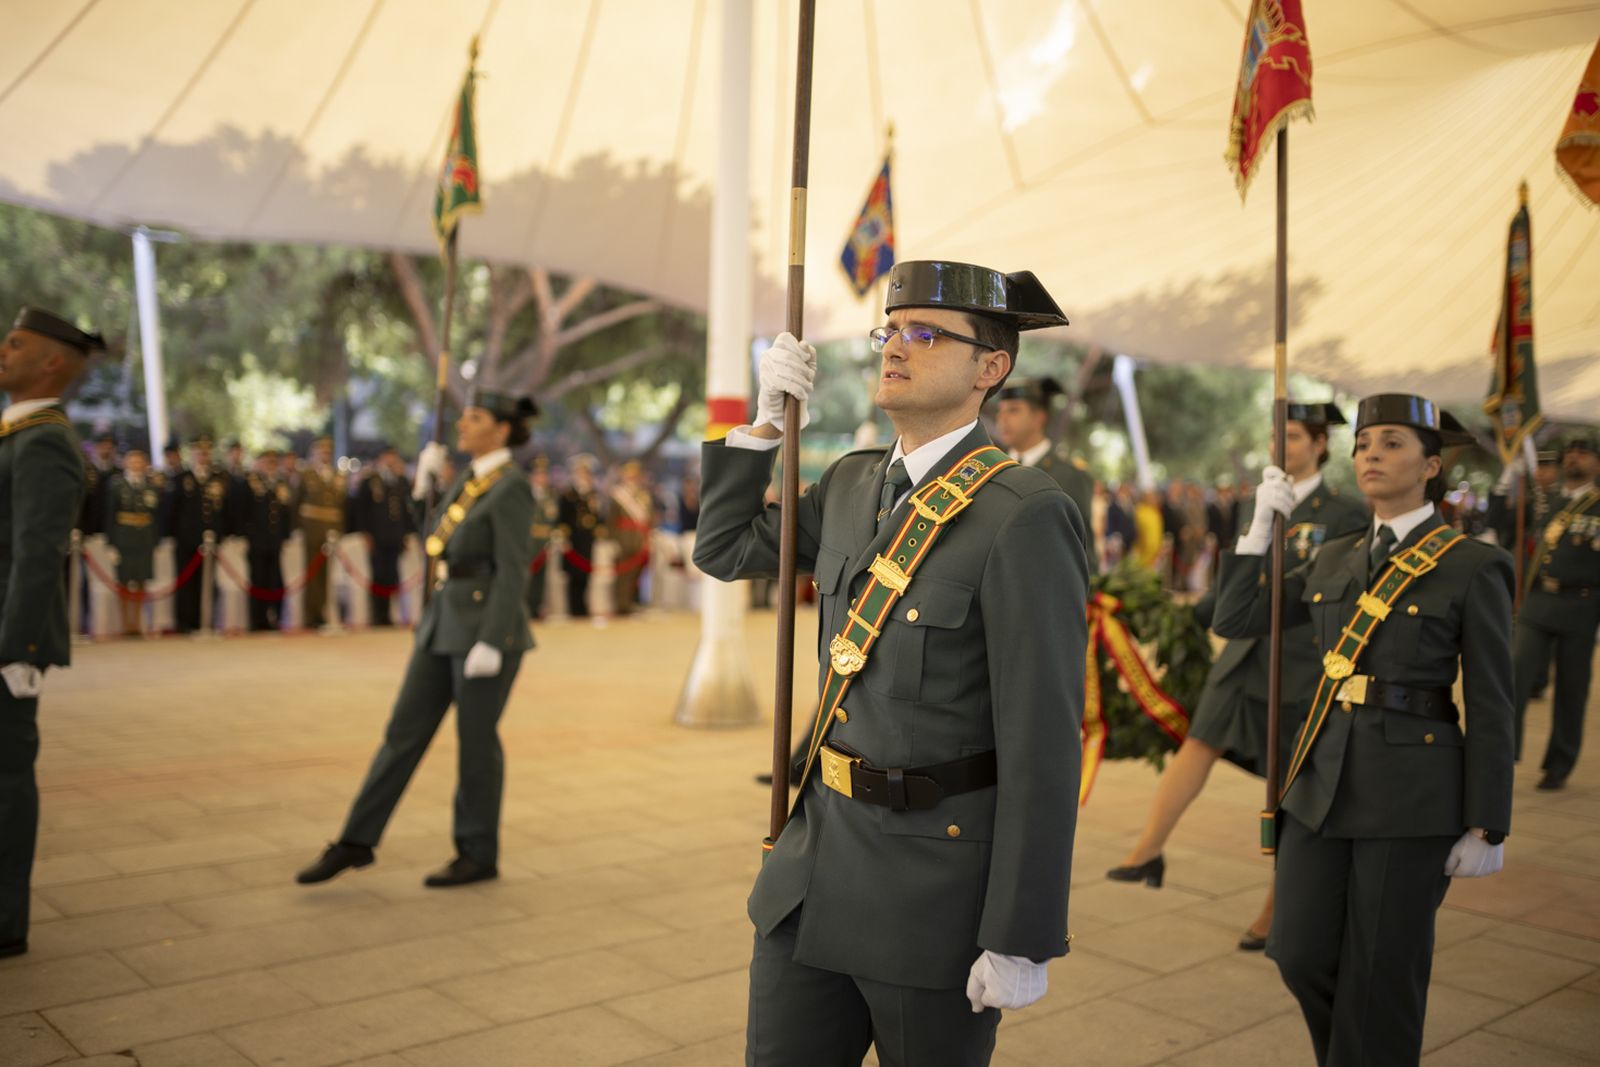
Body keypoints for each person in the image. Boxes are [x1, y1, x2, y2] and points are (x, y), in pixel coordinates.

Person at [695, 260, 1086, 1065]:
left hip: (933, 891)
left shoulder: (1024, 515)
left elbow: (1044, 742)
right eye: (891, 330)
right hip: (814, 866)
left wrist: (1022, 933)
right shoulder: (847, 483)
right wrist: (764, 426)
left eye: (925, 334)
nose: (896, 348)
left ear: (991, 367)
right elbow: (725, 547)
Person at [1212, 393, 1513, 1067]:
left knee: (1382, 976)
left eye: (1392, 443)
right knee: (1298, 952)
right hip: (1320, 783)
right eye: (1364, 442)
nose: (1371, 453)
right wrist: (1258, 529)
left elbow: (1495, 700)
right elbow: (1234, 618)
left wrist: (1488, 819)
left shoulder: (1471, 564)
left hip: (1412, 793)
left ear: (1432, 464)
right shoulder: (1333, 557)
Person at [1108, 404, 1367, 951]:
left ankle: (1279, 908)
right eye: (1277, 434)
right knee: (1198, 743)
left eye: (1294, 436)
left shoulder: (1344, 513)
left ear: (1321, 444)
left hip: (1299, 658)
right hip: (1246, 651)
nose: (1283, 445)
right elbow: (1238, 585)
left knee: (1290, 785)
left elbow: (1321, 591)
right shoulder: (1259, 500)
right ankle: (1147, 850)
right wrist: (1179, 615)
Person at [295, 388, 538, 889]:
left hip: (482, 628)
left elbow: (515, 569)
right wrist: (423, 486)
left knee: (475, 744)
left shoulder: (510, 485)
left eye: (475, 418)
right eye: (464, 417)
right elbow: (433, 538)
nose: (462, 426)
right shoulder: (470, 479)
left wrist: (494, 639)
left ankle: (477, 852)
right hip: (442, 622)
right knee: (402, 733)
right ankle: (356, 841)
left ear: (503, 429)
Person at [0, 306, 101, 959]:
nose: (2, 351)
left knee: (6, 776)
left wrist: (18, 651)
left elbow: (38, 557)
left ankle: (5, 919)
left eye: (15, 343)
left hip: (8, 642)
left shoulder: (45, 442)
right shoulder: (17, 434)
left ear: (51, 362)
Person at [1510, 436, 1599, 791]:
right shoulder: (1548, 502)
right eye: (1570, 453)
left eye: (1584, 453)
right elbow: (1508, 527)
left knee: (1571, 689)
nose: (1574, 457)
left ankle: (1559, 764)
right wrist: (1510, 476)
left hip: (1582, 604)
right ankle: (1504, 752)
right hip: (1539, 602)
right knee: (1513, 675)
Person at [992, 377, 1097, 571]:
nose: (1002, 418)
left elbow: (1082, 554)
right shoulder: (993, 469)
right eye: (1001, 411)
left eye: (1013, 410)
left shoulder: (1069, 476)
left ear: (1039, 417)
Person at [162, 434, 234, 634]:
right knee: (186, 581)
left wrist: (223, 533)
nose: (202, 456)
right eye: (198, 452)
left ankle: (204, 620)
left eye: (206, 452)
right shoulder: (181, 478)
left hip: (210, 540)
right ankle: (185, 621)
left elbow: (225, 510)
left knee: (207, 581)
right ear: (192, 454)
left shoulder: (219, 478)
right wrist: (168, 535)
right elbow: (171, 510)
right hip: (186, 538)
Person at [350, 445, 414, 627]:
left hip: (395, 535)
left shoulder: (400, 481)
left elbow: (406, 510)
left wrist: (406, 534)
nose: (390, 460)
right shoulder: (370, 481)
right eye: (387, 457)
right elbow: (361, 510)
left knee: (392, 575)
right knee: (377, 574)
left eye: (393, 457)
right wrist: (365, 533)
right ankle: (377, 614)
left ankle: (387, 614)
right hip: (377, 536)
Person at [105, 448, 161, 636]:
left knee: (141, 580)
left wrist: (156, 542)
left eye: (140, 461)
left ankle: (136, 623)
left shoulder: (151, 487)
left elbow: (155, 516)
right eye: (133, 461)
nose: (136, 465)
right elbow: (110, 516)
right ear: (126, 463)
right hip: (124, 537)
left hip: (144, 537)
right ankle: (124, 623)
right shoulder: (117, 486)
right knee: (123, 580)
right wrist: (111, 543)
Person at [294, 435, 347, 631]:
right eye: (321, 452)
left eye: (328, 452)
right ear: (313, 453)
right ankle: (310, 614)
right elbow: (296, 503)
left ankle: (322, 612)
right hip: (311, 528)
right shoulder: (306, 475)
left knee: (327, 575)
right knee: (312, 573)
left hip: (330, 529)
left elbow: (341, 507)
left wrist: (339, 530)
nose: (325, 455)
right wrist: (296, 529)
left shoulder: (337, 475)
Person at [242, 449, 294, 632]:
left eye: (273, 462)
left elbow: (286, 512)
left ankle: (275, 617)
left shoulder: (281, 483)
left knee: (275, 580)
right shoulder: (251, 482)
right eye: (266, 462)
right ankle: (257, 619)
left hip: (275, 539)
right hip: (257, 539)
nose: (270, 466)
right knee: (258, 580)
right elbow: (243, 511)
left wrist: (285, 535)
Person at [558, 454, 605, 617]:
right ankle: (574, 608)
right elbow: (562, 519)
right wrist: (564, 539)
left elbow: (597, 517)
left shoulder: (592, 494)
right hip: (574, 540)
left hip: (588, 540)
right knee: (574, 577)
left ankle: (583, 608)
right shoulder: (568, 495)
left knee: (586, 576)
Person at [609, 459, 655, 615]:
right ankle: (621, 605)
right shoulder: (618, 495)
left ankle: (632, 602)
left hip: (640, 539)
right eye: (629, 475)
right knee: (623, 575)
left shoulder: (643, 495)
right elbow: (612, 521)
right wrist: (614, 541)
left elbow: (649, 518)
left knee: (637, 575)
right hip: (624, 539)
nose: (633, 478)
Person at [524, 457, 560, 620]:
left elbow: (552, 518)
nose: (542, 478)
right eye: (539, 474)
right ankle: (525, 608)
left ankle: (536, 606)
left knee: (541, 579)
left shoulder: (549, 496)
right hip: (529, 541)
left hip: (544, 542)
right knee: (527, 577)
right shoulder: (526, 494)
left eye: (544, 474)